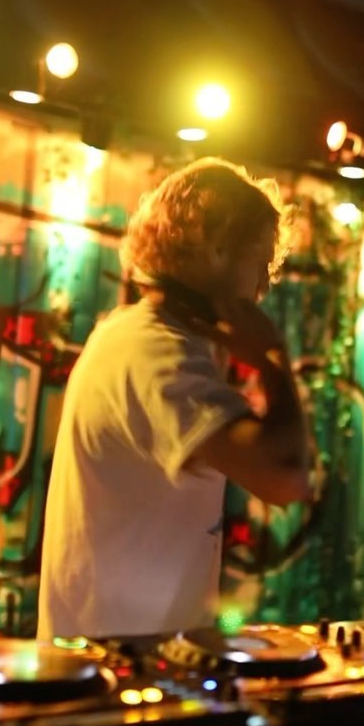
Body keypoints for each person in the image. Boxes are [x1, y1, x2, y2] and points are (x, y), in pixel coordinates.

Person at [37, 156, 310, 640]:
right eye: (261, 261)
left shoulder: (136, 336)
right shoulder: (154, 351)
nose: (264, 285)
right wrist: (273, 358)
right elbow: (284, 476)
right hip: (117, 671)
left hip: (130, 662)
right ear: (216, 244)